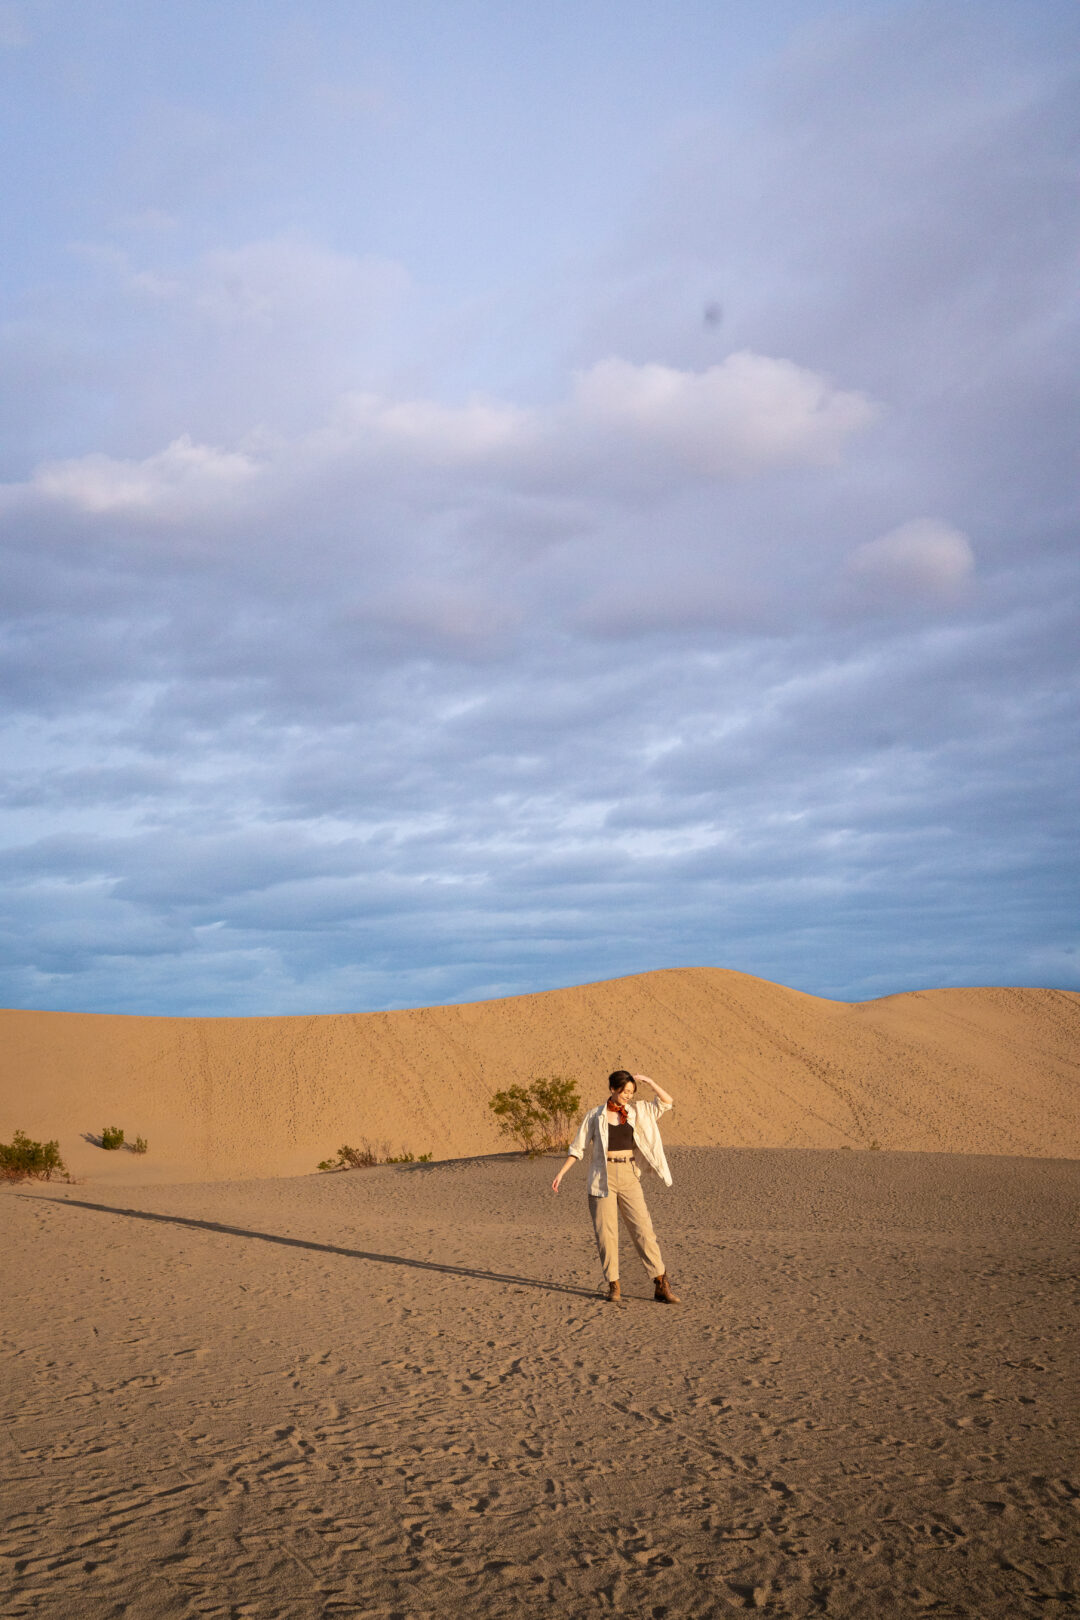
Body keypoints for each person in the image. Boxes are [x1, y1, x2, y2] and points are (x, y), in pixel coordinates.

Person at [552, 1070, 680, 1304]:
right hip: (603, 1177)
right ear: (613, 1089)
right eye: (624, 1091)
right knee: (606, 1233)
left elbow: (667, 1102)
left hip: (630, 1175)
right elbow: (577, 1148)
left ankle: (661, 1283)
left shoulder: (638, 1111)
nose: (628, 1096)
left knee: (643, 1230)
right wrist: (561, 1173)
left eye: (631, 1092)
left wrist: (650, 1081)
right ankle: (614, 1285)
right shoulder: (595, 1116)